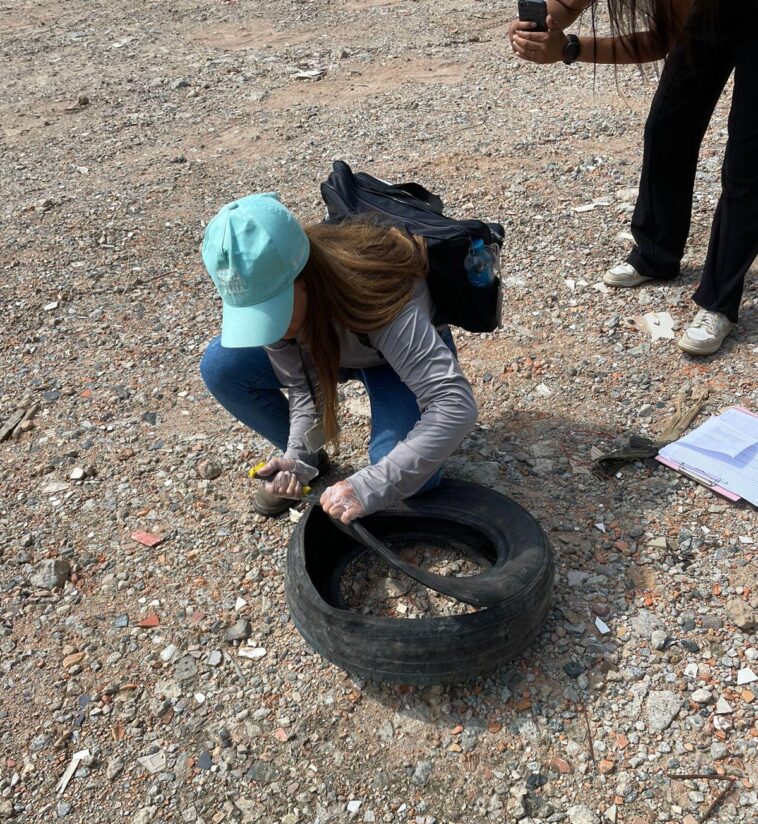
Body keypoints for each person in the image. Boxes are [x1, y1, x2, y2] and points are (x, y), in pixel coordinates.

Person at [199, 193, 478, 524]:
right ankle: (314, 459)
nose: (270, 329)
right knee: (222, 365)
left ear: (305, 276)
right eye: (257, 316)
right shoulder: (278, 307)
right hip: (337, 347)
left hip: (392, 360)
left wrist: (371, 485)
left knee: (404, 476)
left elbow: (454, 404)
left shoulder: (377, 290)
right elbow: (304, 386)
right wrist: (298, 459)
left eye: (274, 310)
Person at [508, 0, 758, 356]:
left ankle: (719, 302)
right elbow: (564, 6)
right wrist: (529, 30)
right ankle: (656, 254)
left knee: (747, 164)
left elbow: (659, 41)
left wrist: (569, 48)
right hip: (708, 10)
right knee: (667, 126)